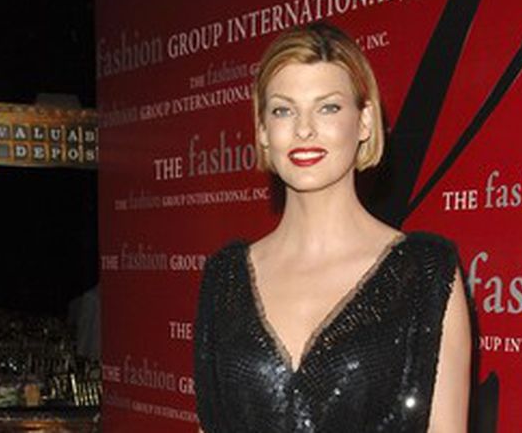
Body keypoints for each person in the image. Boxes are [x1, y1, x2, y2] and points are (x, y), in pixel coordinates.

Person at [194, 22, 471, 433]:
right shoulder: (225, 278)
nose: (304, 129)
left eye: (328, 107)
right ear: (263, 130)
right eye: (283, 110)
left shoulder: (423, 274)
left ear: (365, 121)